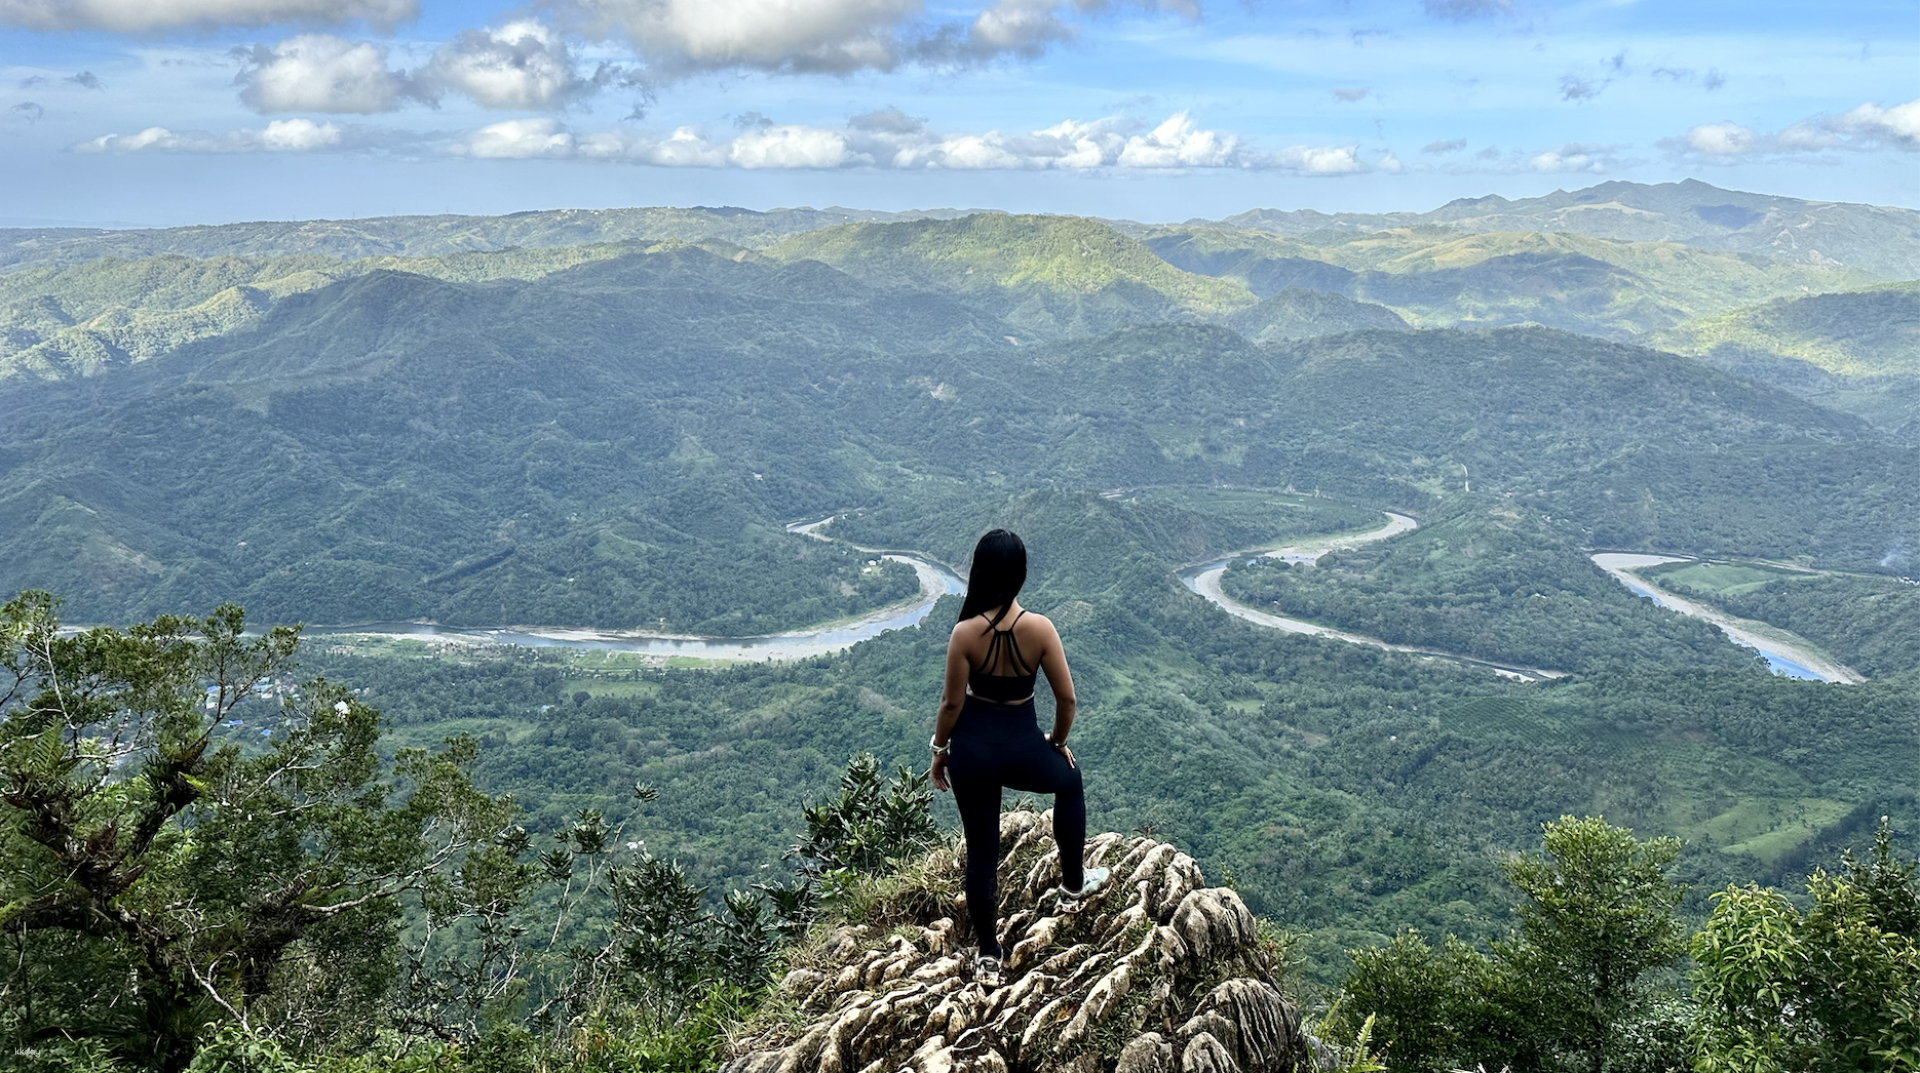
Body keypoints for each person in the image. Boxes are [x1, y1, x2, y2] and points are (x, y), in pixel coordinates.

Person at [928, 529, 1109, 987]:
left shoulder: (964, 633)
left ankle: (989, 955)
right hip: (1024, 748)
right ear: (1021, 575)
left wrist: (939, 751)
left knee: (981, 853)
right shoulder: (1040, 628)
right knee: (1069, 782)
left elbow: (951, 706)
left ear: (979, 573)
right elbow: (1066, 700)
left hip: (972, 755)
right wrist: (1056, 742)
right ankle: (1072, 884)